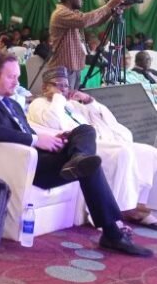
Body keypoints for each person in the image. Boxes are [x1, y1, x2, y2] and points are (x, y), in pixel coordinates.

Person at [0, 52, 152, 257]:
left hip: (38, 156)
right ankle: (111, 233)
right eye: (12, 77)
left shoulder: (10, 102)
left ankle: (78, 159)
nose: (17, 82)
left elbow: (25, 129)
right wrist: (38, 140)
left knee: (85, 132)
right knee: (89, 167)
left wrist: (56, 139)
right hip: (25, 165)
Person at [28, 66, 157, 230]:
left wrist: (89, 101)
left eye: (66, 86)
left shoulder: (72, 105)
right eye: (58, 85)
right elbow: (54, 121)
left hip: (101, 139)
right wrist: (58, 98)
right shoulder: (39, 104)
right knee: (123, 153)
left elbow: (104, 119)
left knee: (149, 153)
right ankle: (116, 214)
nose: (63, 89)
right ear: (45, 87)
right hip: (79, 146)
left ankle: (139, 205)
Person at [49, 0, 125, 90]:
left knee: (71, 101)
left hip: (73, 68)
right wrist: (108, 6)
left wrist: (112, 11)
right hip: (63, 69)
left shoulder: (74, 14)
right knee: (63, 101)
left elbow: (95, 22)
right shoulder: (61, 13)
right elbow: (84, 21)